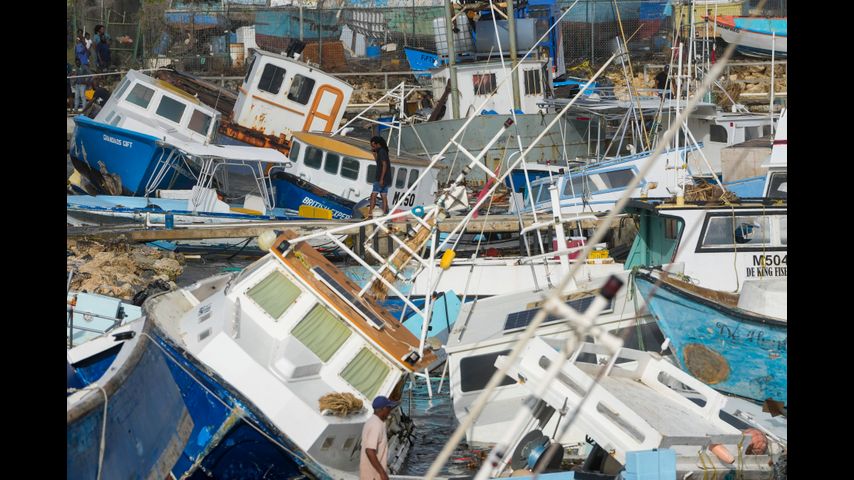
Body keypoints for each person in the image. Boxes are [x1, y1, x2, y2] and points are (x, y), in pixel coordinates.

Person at [360, 396, 398, 480]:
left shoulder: (372, 421)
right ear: (383, 409)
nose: (390, 410)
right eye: (389, 407)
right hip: (373, 476)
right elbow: (369, 451)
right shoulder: (376, 425)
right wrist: (382, 473)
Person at [368, 136, 392, 215]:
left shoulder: (381, 151)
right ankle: (384, 213)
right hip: (387, 179)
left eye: (373, 145)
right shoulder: (383, 151)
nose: (372, 147)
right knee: (383, 196)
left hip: (380, 178)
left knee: (373, 195)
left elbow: (384, 165)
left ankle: (370, 214)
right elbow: (379, 162)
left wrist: (381, 179)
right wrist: (374, 153)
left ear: (377, 144)